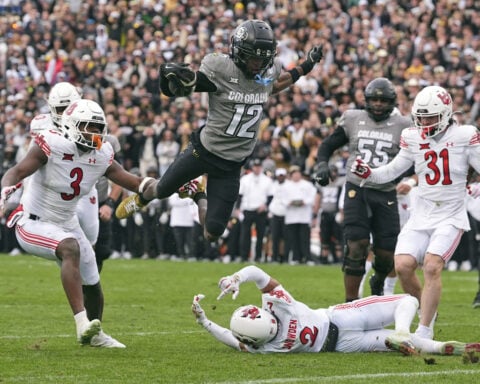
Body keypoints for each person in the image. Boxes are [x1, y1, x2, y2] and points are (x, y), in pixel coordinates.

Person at [115, 19, 324, 243]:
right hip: (203, 152)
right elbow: (193, 83)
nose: (258, 64)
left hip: (232, 165)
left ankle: (198, 193)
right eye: (254, 57)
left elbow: (277, 83)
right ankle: (142, 197)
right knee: (162, 190)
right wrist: (176, 80)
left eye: (263, 58)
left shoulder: (267, 73)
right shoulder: (222, 68)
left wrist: (306, 66)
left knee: (213, 232)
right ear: (239, 51)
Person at [0, 99, 148, 348]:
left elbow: (134, 182)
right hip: (33, 222)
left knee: (92, 278)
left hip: (67, 222)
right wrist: (5, 191)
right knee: (70, 247)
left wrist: (169, 185)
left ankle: (95, 333)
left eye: (98, 127)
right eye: (88, 126)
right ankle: (81, 324)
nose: (95, 133)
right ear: (71, 125)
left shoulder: (102, 155)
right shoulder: (52, 144)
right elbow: (16, 171)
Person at [350, 85, 480, 339]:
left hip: (450, 215)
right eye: (420, 116)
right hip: (420, 214)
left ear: (445, 113)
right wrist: (370, 173)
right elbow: (392, 170)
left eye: (430, 116)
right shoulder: (412, 136)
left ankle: (424, 330)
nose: (424, 122)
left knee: (432, 266)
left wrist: (474, 184)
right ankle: (426, 309)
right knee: (403, 266)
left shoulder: (465, 135)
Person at [191, 265, 479, 355]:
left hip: (341, 344)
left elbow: (231, 338)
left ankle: (435, 345)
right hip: (340, 320)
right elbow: (257, 272)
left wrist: (205, 321)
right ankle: (423, 339)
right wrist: (236, 279)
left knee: (398, 337)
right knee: (409, 301)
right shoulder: (279, 305)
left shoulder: (262, 347)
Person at [314, 77, 414, 302]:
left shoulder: (404, 126)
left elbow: (415, 160)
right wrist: (322, 164)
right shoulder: (353, 118)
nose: (378, 104)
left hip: (386, 190)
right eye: (374, 99)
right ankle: (351, 302)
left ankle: (377, 280)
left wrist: (411, 179)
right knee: (356, 244)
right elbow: (328, 145)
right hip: (356, 188)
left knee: (387, 252)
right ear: (366, 100)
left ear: (391, 102)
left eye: (383, 100)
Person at [236, 158, 273, 262]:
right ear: (253, 167)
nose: (257, 169)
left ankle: (258, 257)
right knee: (245, 234)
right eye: (255, 166)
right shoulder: (245, 179)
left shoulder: (267, 180)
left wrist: (265, 206)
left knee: (260, 234)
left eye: (259, 167)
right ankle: (244, 256)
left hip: (260, 210)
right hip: (247, 209)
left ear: (261, 167)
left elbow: (270, 196)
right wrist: (238, 208)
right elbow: (240, 195)